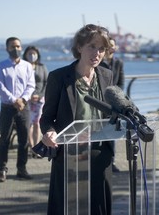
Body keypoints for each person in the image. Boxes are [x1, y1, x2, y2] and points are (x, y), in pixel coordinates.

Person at [40, 24, 114, 215]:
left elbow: (112, 112)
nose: (97, 53)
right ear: (79, 47)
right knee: (67, 207)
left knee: (98, 207)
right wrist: (49, 132)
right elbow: (47, 117)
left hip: (100, 154)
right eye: (91, 46)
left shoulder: (107, 75)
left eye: (102, 49)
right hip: (69, 155)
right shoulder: (58, 77)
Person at [0, 37, 36, 182]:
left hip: (24, 108)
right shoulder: (1, 66)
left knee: (24, 140)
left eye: (18, 46)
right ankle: (2, 170)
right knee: (4, 140)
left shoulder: (27, 66)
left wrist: (23, 100)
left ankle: (22, 169)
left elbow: (31, 85)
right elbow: (0, 87)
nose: (16, 49)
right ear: (7, 49)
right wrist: (14, 100)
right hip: (7, 108)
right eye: (12, 47)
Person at [100, 37, 125, 172]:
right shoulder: (98, 62)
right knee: (99, 132)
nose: (111, 48)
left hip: (113, 103)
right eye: (109, 45)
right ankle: (99, 160)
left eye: (113, 46)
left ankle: (111, 162)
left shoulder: (118, 63)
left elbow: (121, 82)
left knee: (112, 133)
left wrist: (115, 97)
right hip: (100, 102)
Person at [22, 46, 48, 158]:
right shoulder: (22, 67)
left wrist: (40, 95)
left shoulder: (42, 67)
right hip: (27, 99)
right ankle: (31, 146)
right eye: (29, 53)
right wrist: (29, 96)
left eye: (34, 53)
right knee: (29, 124)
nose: (32, 56)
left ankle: (37, 147)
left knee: (37, 123)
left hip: (39, 99)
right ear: (25, 55)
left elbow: (47, 82)